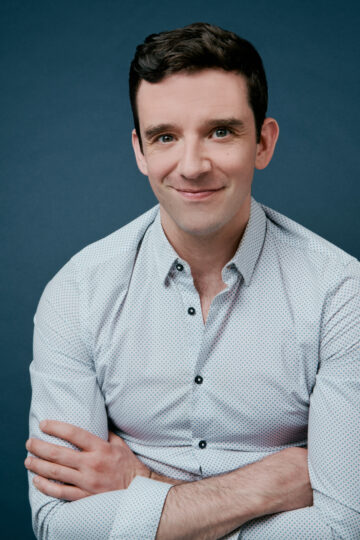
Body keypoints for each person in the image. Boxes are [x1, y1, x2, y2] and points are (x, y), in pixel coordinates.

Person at [25, 22, 360, 539]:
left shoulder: (341, 293)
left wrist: (140, 487)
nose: (192, 165)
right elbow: (58, 527)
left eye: (221, 131)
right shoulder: (77, 293)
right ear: (140, 151)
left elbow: (343, 525)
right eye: (165, 137)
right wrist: (268, 485)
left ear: (263, 143)